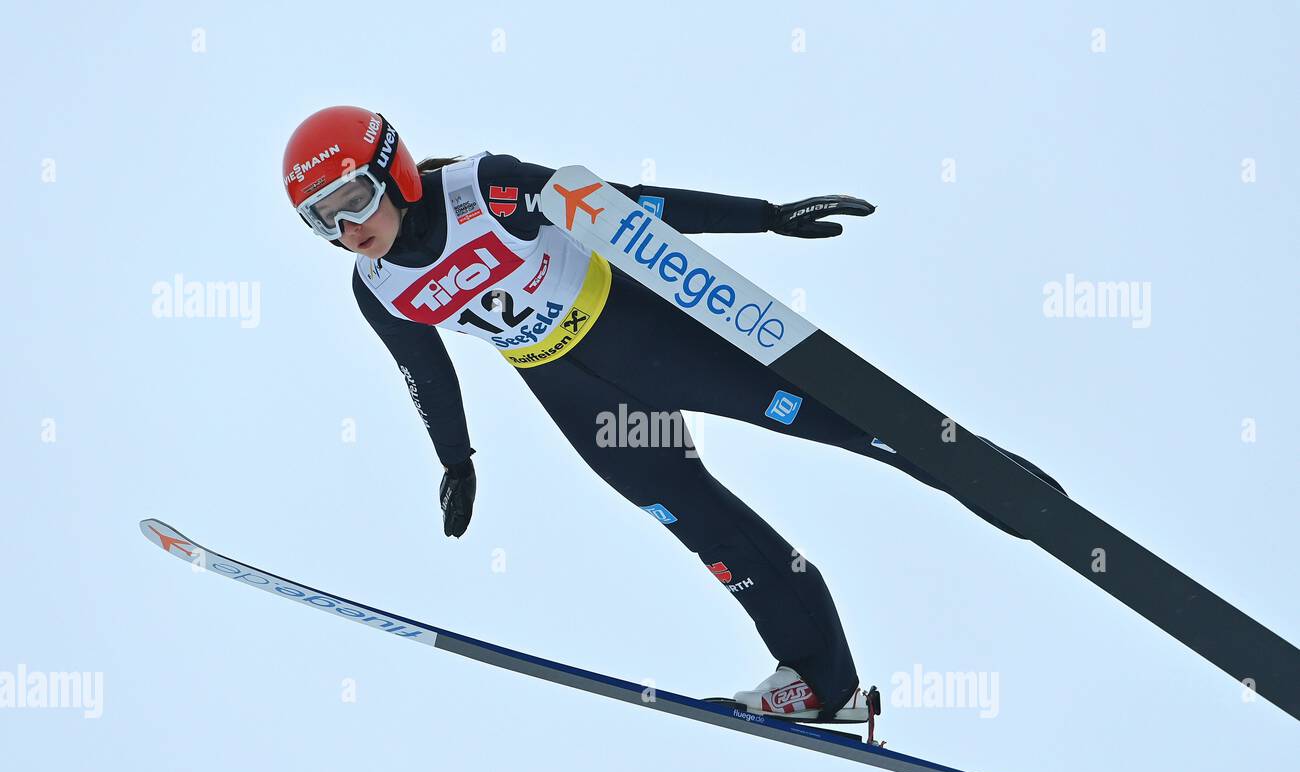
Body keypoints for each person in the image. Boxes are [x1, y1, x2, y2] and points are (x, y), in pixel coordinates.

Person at [281, 105, 1066, 723]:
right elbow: (425, 372)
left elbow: (629, 205)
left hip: (645, 334)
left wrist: (763, 215)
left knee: (852, 422)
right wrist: (457, 461)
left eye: (352, 199)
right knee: (705, 528)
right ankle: (824, 683)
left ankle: (1017, 494)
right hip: (578, 396)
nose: (350, 230)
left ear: (396, 170)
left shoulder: (486, 189)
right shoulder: (377, 287)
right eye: (324, 221)